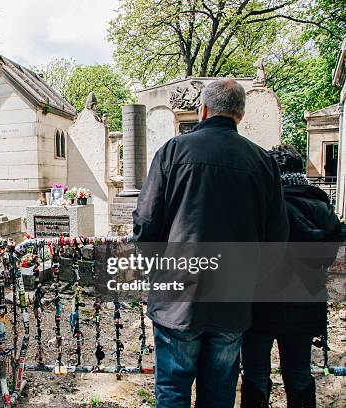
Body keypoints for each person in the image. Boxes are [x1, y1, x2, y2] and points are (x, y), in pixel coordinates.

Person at [132, 79, 289, 407]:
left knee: (172, 391)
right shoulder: (262, 163)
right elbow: (276, 240)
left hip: (177, 297)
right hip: (231, 299)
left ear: (202, 110)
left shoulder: (173, 152)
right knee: (218, 395)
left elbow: (146, 223)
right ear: (240, 115)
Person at [241, 145, 341, 407]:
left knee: (255, 374)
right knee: (298, 374)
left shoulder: (261, 205)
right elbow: (331, 256)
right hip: (305, 301)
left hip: (260, 303)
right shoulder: (319, 206)